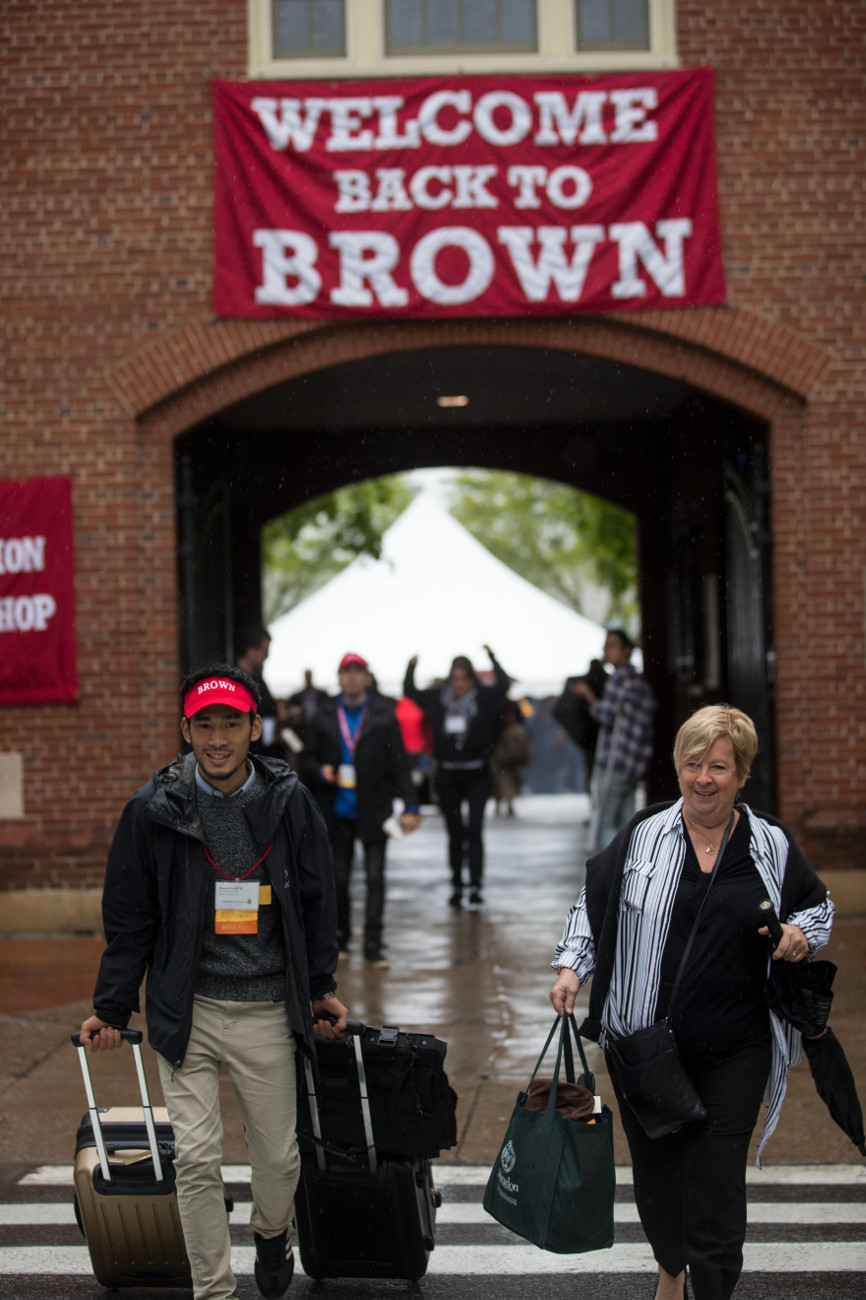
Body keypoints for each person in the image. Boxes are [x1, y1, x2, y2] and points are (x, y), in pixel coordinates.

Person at [79, 663, 348, 1300]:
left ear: (255, 728)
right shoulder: (152, 811)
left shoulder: (289, 805)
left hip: (264, 1010)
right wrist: (112, 1008)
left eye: (231, 722)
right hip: (187, 1008)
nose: (218, 738)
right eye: (205, 725)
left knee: (279, 1160)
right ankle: (215, 1291)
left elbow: (316, 898)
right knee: (196, 1159)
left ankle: (271, 1230)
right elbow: (131, 917)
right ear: (186, 731)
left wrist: (319, 985)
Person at [549, 704, 834, 1300]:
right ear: (678, 767)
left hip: (737, 1046)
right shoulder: (642, 835)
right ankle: (670, 1269)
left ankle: (710, 1286)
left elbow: (817, 906)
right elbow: (591, 905)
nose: (704, 778)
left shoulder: (770, 844)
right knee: (659, 1178)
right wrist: (573, 967)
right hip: (645, 1045)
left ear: (742, 773)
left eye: (719, 767)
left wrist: (799, 935)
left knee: (717, 1179)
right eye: (693, 763)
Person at [300, 653, 420, 968]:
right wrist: (319, 770)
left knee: (375, 877)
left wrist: (411, 805)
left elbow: (400, 764)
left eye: (358, 672)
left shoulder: (384, 713)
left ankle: (373, 943)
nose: (352, 677)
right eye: (346, 672)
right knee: (338, 879)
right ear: (339, 677)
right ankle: (341, 938)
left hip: (374, 809)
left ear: (367, 677)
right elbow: (305, 758)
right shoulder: (324, 714)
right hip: (336, 810)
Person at [404, 645, 510, 907]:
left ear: (471, 679)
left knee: (474, 829)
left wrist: (492, 658)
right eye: (455, 679)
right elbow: (410, 693)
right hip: (448, 774)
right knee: (454, 832)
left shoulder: (482, 698)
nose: (460, 684)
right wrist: (411, 667)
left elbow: (503, 685)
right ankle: (456, 884)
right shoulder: (439, 698)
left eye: (464, 679)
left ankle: (475, 885)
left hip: (477, 773)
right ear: (449, 679)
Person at [572, 629, 656, 850]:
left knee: (605, 821)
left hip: (618, 759)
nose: (605, 651)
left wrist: (589, 696)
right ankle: (633, 858)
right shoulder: (637, 680)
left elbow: (605, 714)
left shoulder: (620, 679)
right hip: (635, 761)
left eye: (611, 645)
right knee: (626, 819)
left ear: (626, 651)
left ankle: (617, 864)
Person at [552, 655, 608, 784]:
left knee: (594, 773)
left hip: (591, 735)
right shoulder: (604, 682)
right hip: (599, 735)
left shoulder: (587, 684)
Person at [235, 623, 287, 760]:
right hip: (251, 753)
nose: (266, 657)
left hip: (265, 750)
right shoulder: (237, 680)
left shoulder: (257, 676)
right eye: (264, 651)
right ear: (250, 650)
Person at [490, 700, 532, 815]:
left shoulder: (516, 729)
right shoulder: (497, 723)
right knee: (497, 779)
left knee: (509, 779)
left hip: (510, 755)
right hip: (498, 752)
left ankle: (509, 801)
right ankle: (501, 801)